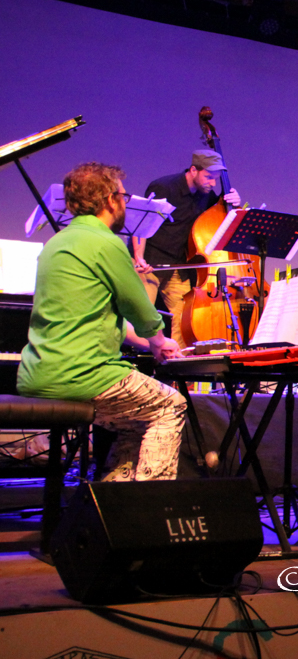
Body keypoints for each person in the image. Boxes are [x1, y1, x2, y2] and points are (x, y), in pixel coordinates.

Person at [18, 163, 186, 481]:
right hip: (82, 375)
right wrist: (159, 340)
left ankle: (112, 502)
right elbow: (139, 307)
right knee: (170, 405)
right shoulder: (106, 242)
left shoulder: (56, 243)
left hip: (37, 374)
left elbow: (92, 316)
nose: (125, 203)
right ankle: (148, 506)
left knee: (138, 420)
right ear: (110, 199)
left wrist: (146, 342)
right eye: (124, 196)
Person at [132, 149, 242, 346]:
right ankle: (142, 359)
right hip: (150, 262)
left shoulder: (205, 194)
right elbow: (142, 224)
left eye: (216, 179)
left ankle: (177, 363)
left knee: (183, 318)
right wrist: (139, 257)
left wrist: (233, 201)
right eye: (209, 177)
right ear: (193, 170)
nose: (213, 183)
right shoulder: (164, 187)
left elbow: (221, 215)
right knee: (142, 316)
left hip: (178, 266)